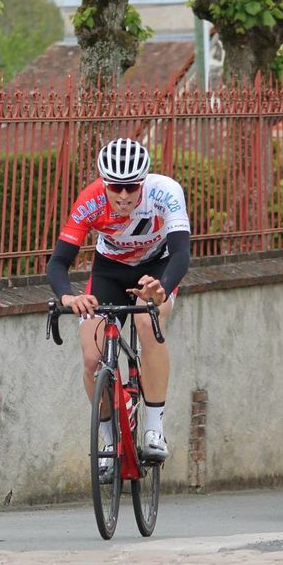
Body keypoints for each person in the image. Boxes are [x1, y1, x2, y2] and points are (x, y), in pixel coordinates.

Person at [46, 137, 191, 467]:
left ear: (143, 182)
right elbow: (58, 262)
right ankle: (110, 444)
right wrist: (69, 296)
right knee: (92, 358)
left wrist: (162, 289)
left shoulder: (165, 192)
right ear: (104, 184)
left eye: (131, 187)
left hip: (157, 268)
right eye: (115, 187)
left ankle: (154, 428)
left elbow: (182, 254)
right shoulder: (90, 200)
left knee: (146, 320)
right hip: (110, 270)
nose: (123, 196)